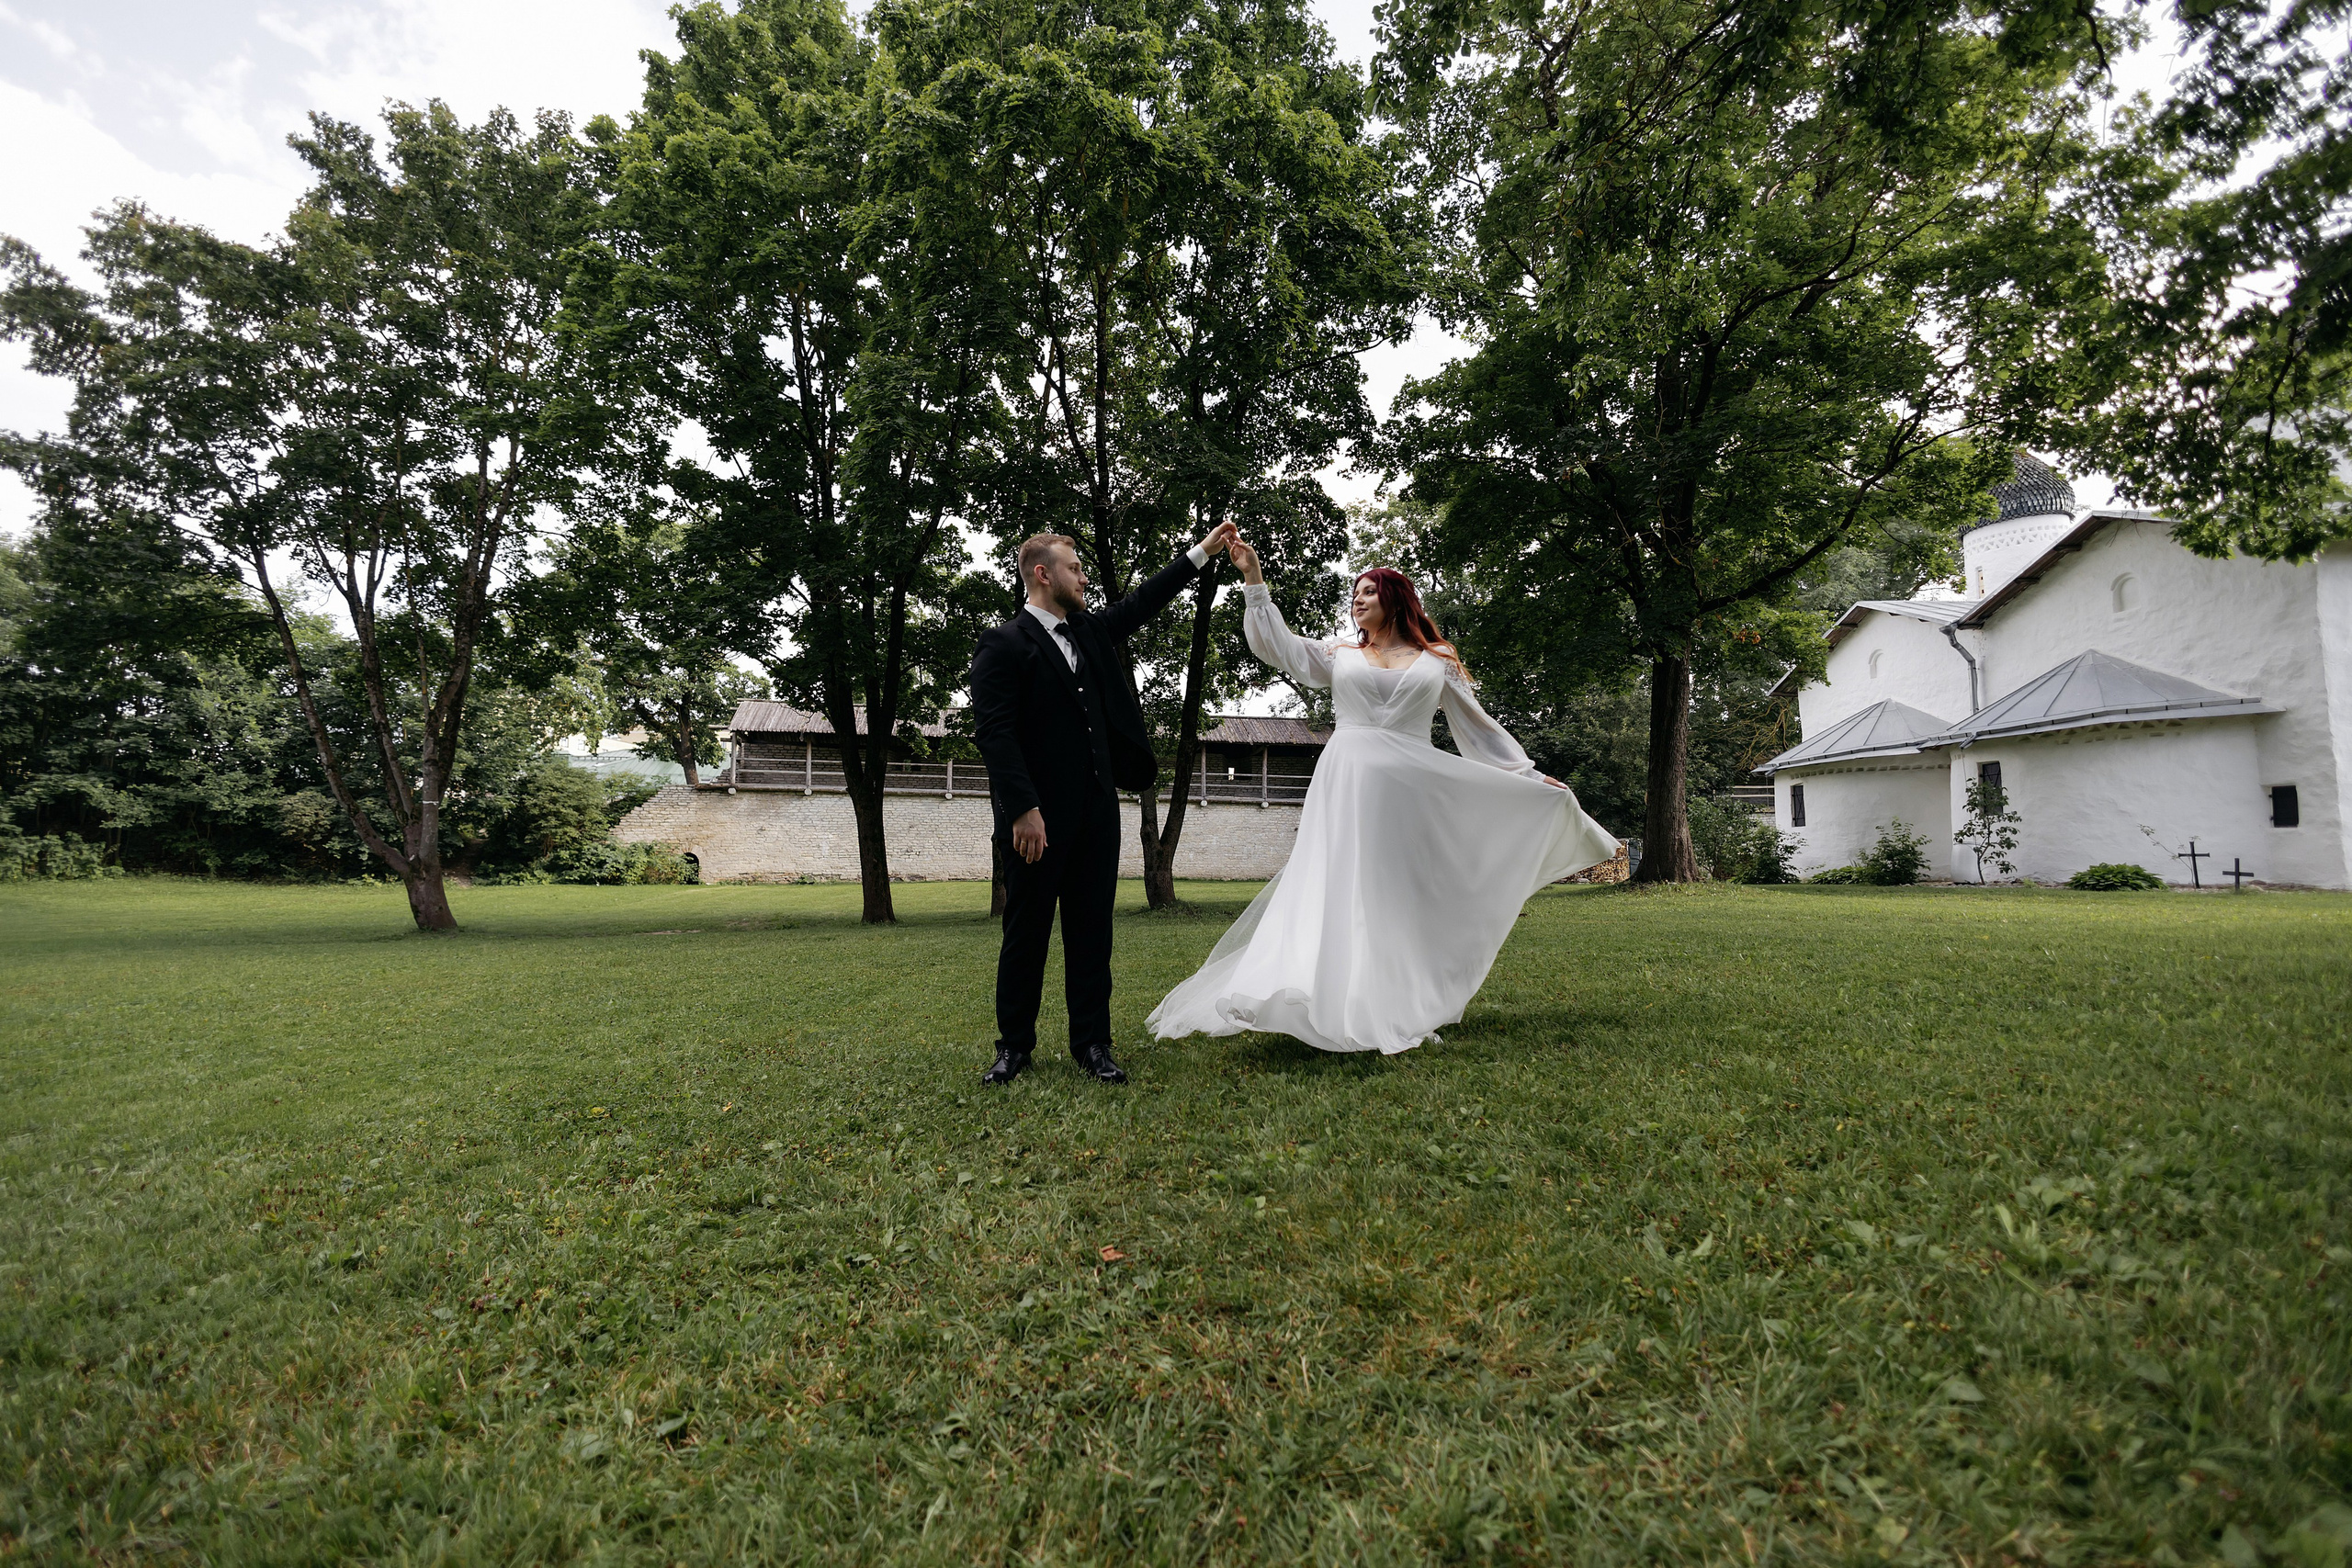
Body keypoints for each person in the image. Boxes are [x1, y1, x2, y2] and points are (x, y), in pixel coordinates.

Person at [1148, 545, 1618, 1055]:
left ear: (1395, 599)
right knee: (1341, 885)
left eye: (1368, 591)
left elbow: (1476, 729)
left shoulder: (1438, 661)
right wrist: (1253, 577)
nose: (1358, 600)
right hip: (1346, 782)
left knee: (1398, 891)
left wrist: (1526, 775)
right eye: (1354, 594)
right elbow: (1277, 646)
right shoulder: (1339, 655)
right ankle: (1320, 996)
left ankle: (1397, 1002)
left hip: (1413, 791)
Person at [970, 523, 1239, 1085]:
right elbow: (995, 731)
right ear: (1043, 574)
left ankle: (1092, 1044)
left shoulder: (1089, 632)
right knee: (1026, 934)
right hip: (1035, 821)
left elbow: (1141, 603)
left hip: (1097, 814)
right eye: (1075, 568)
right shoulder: (1003, 643)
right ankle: (1014, 1047)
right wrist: (1022, 808)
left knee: (1092, 935)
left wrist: (1201, 554)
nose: (1084, 577)